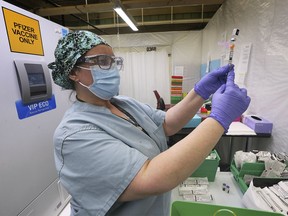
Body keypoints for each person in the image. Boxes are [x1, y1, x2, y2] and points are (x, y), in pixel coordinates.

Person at [48, 30, 250, 216]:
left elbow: (166, 124)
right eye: (101, 61)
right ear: (73, 72)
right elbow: (150, 177)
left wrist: (200, 92)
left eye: (113, 61)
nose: (112, 69)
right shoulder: (73, 136)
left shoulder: (123, 104)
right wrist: (219, 119)